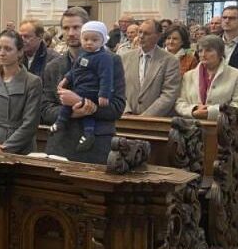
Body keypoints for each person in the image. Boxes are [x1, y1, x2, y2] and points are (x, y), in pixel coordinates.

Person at [40, 8, 126, 163]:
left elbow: (117, 107)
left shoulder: (111, 61)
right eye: (66, 28)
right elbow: (45, 110)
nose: (71, 33)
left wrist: (81, 102)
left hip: (97, 146)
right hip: (60, 144)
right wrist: (73, 112)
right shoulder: (53, 66)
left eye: (76, 27)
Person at [49, 21, 115, 151]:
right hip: (81, 89)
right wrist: (66, 79)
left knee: (71, 104)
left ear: (103, 41)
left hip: (92, 91)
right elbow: (75, 71)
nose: (89, 43)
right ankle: (88, 133)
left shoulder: (104, 57)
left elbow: (106, 77)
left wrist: (103, 94)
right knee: (84, 112)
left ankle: (60, 122)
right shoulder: (83, 55)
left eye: (94, 40)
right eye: (86, 39)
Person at [0, 30, 42, 154]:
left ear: (20, 52)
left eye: (8, 49)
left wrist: (5, 148)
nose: (1, 53)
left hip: (19, 149)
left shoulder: (32, 82)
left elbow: (30, 124)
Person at [175, 35, 238, 120]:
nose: (203, 54)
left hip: (222, 128)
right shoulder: (188, 76)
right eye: (200, 51)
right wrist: (193, 110)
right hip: (191, 127)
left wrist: (210, 112)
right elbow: (180, 102)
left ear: (220, 53)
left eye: (208, 50)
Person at [120, 18, 182, 117]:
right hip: (127, 118)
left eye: (146, 33)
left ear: (158, 36)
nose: (141, 36)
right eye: (140, 32)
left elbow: (169, 93)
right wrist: (127, 112)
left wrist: (146, 118)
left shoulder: (170, 61)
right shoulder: (125, 58)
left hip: (156, 122)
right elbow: (118, 88)